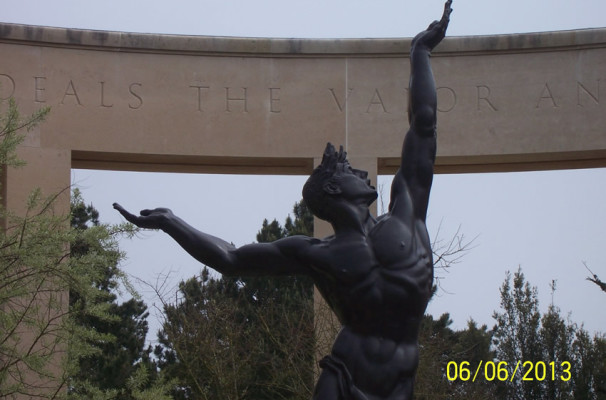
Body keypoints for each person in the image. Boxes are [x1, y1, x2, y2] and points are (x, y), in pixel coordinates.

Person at [114, 2, 452, 398]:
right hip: (343, 378)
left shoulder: (406, 212)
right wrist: (172, 222)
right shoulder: (315, 254)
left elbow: (424, 123)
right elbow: (231, 259)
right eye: (347, 170)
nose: (361, 172)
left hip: (399, 383)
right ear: (332, 189)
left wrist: (420, 51)